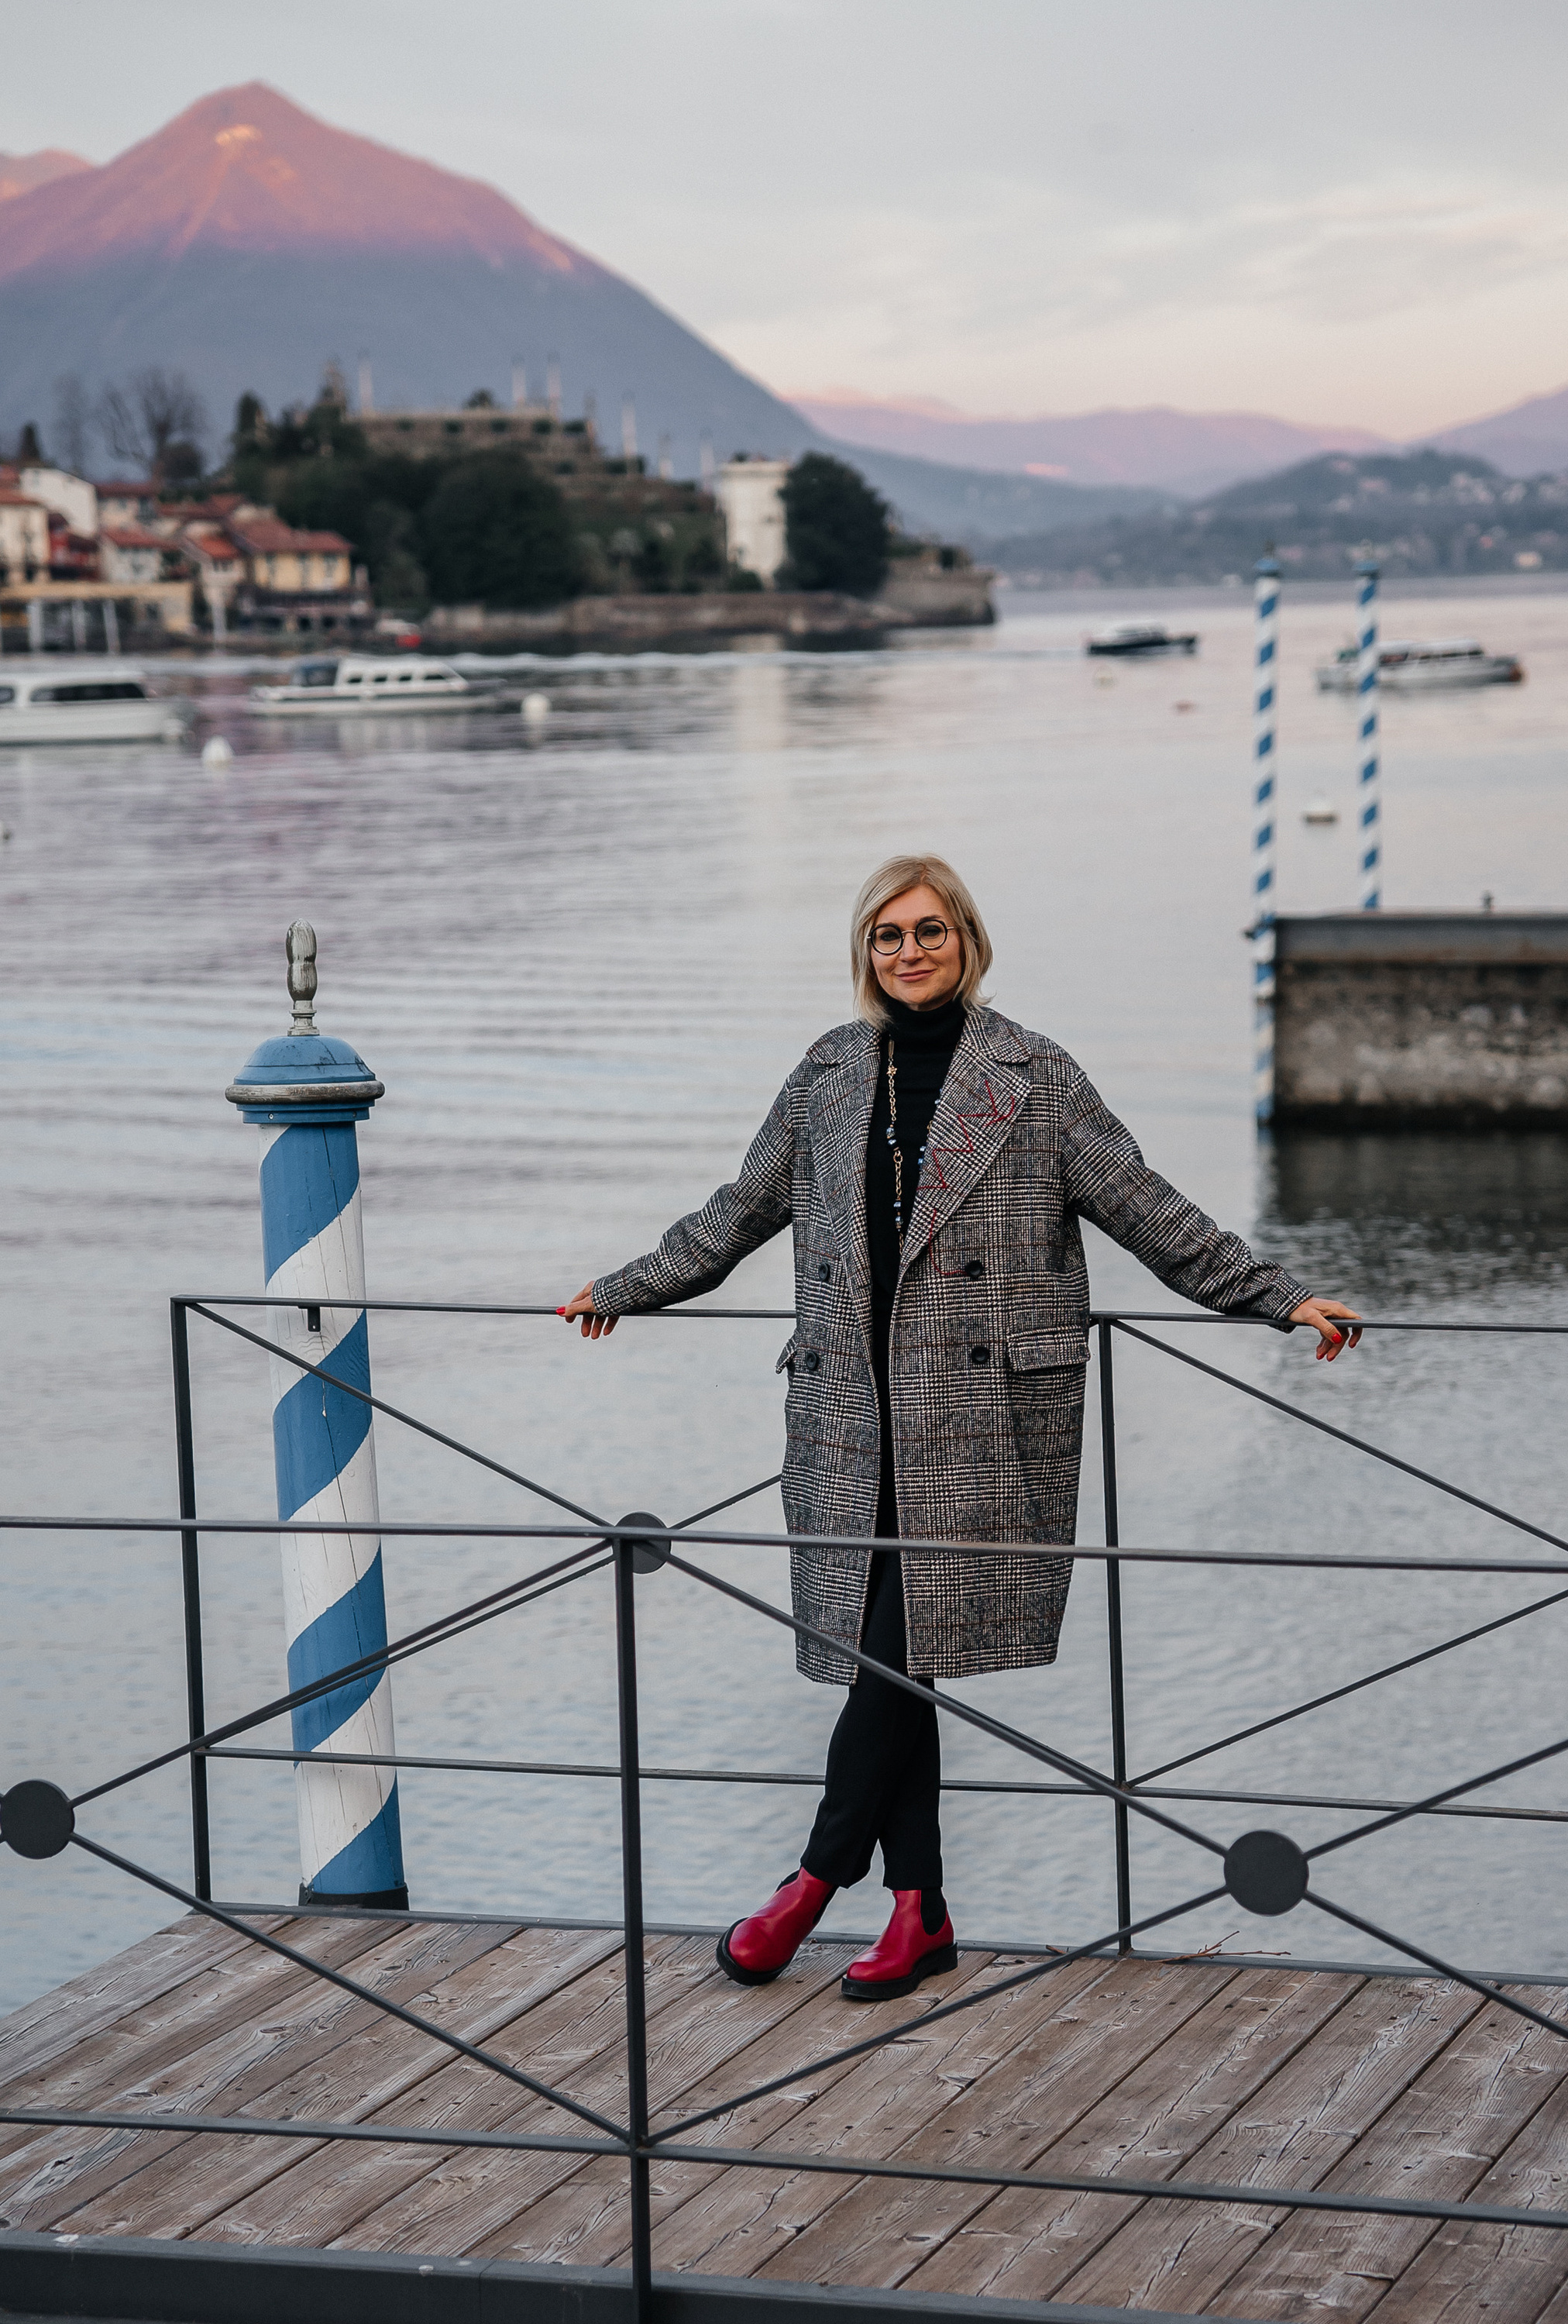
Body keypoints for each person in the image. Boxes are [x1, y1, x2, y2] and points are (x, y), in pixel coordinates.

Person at [561, 855, 1358, 2004]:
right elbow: (736, 1213)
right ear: (865, 954)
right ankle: (918, 1911)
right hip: (852, 1419)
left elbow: (1147, 1206)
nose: (909, 952)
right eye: (887, 937)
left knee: (890, 1655)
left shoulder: (1033, 1077)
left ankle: (810, 1884)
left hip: (979, 1422)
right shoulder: (828, 1074)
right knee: (901, 1661)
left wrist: (1276, 1295)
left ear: (969, 943)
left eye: (929, 931)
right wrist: (625, 1286)